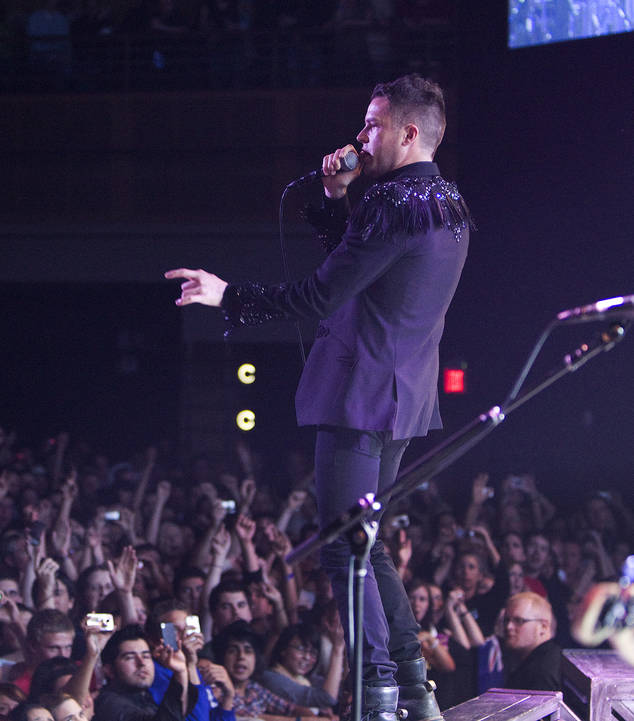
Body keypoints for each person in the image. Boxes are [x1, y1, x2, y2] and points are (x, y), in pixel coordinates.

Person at [166, 73, 473, 721]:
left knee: (344, 544)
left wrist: (230, 296)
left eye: (372, 124)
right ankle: (412, 687)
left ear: (408, 131)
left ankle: (380, 691)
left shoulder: (395, 205)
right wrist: (337, 195)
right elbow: (362, 269)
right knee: (367, 541)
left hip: (362, 390)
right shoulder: (445, 203)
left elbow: (321, 293)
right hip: (400, 393)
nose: (360, 136)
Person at [500, 592, 561, 691]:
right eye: (506, 620)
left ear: (543, 627)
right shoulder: (548, 658)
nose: (508, 627)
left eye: (519, 621)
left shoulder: (542, 670)